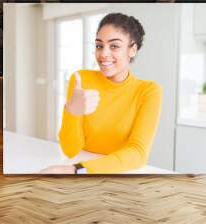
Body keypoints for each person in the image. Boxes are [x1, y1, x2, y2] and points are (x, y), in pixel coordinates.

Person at [40, 13, 162, 174]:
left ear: (132, 50)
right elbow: (70, 150)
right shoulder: (81, 80)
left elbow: (138, 153)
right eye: (99, 45)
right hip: (79, 161)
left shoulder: (148, 91)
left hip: (120, 171)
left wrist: (78, 170)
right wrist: (71, 111)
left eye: (114, 46)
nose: (103, 54)